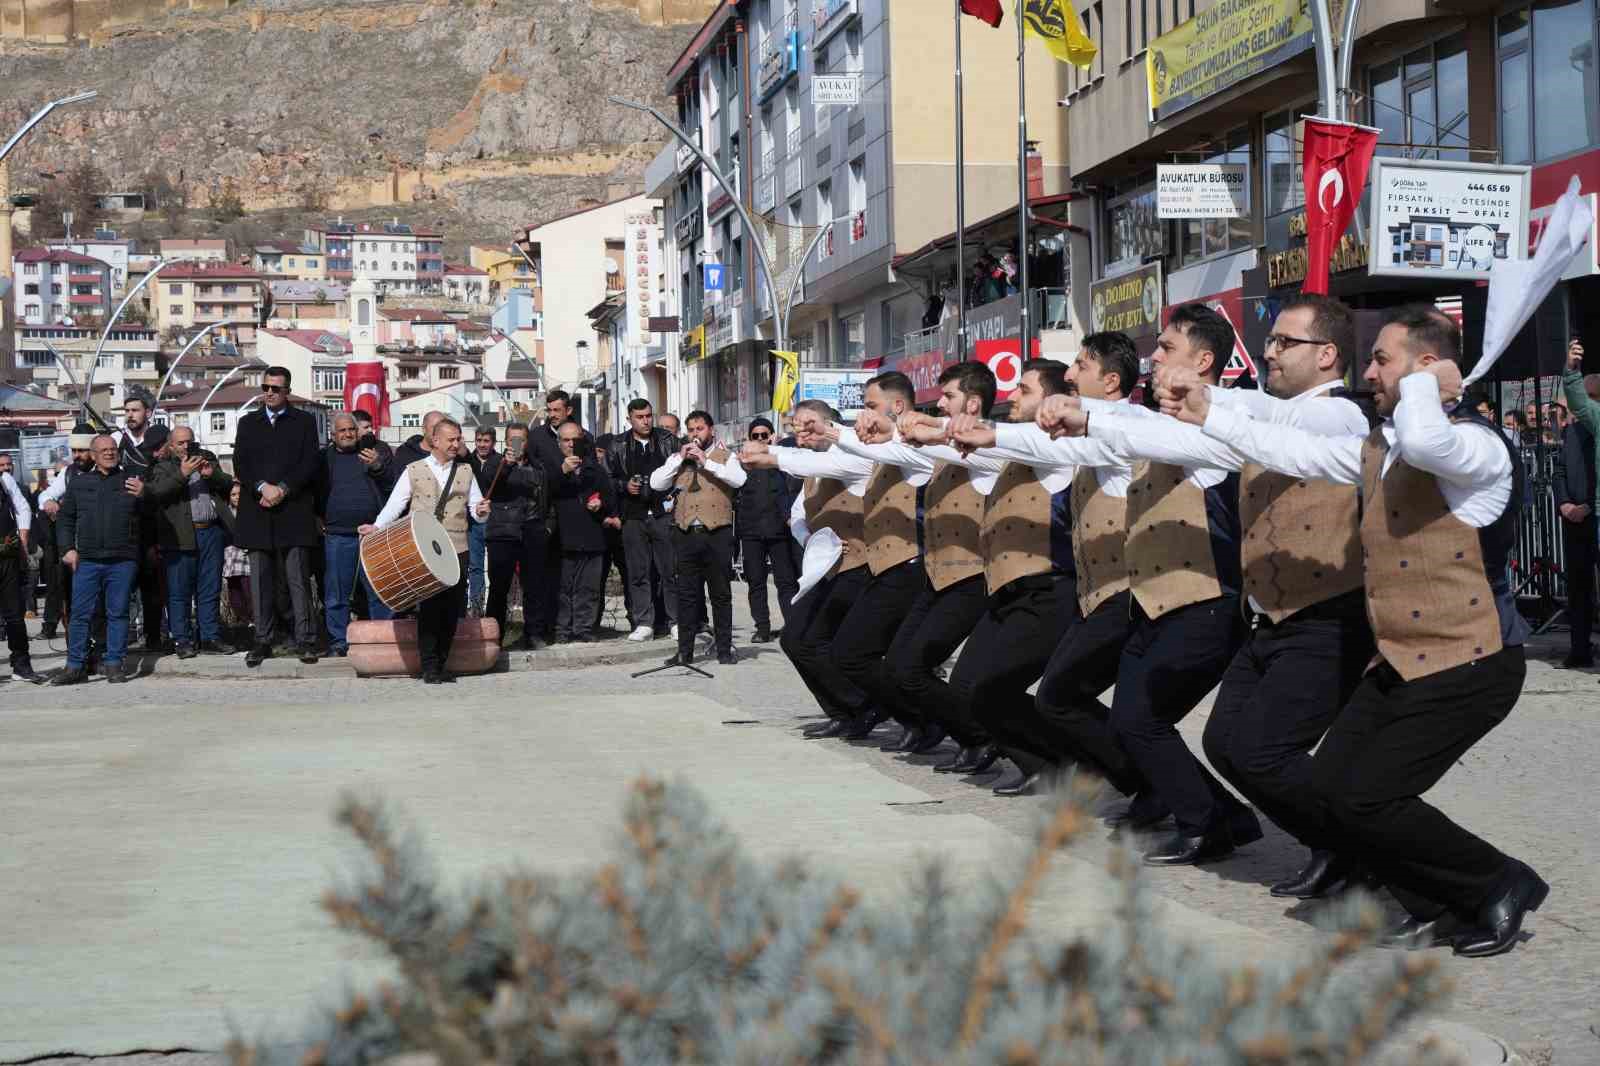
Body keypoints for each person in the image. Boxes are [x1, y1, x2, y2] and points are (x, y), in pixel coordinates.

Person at [1184, 305, 1543, 958]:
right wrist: (1208, 412)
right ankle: (1435, 899)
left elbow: (1431, 442)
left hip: (1472, 660)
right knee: (1332, 791)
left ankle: (1500, 881)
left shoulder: (1478, 444)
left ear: (1427, 369)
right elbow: (1293, 447)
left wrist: (1426, 386)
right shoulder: (1380, 448)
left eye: (1383, 359)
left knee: (1371, 797)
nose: (1369, 371)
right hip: (1402, 659)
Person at [1054, 299, 1378, 893]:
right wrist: (1082, 420)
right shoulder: (1248, 421)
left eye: (1285, 342)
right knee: (1226, 744)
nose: (1271, 352)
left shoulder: (1339, 419)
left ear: (1327, 355)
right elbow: (1167, 432)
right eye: (1271, 342)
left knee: (1254, 750)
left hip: (1316, 613)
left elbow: (1269, 427)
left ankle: (1360, 850)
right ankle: (1321, 842)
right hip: (1262, 616)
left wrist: (1208, 403)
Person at [834, 362, 999, 762]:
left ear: (973, 404)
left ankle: (980, 735)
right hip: (935, 575)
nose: (939, 403)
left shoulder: (988, 450)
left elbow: (925, 450)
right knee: (897, 668)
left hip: (969, 575)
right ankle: (953, 729)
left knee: (917, 669)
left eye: (949, 397)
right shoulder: (939, 450)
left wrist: (841, 431)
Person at [364, 416, 489, 682]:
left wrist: (481, 512)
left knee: (453, 607)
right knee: (430, 607)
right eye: (452, 439)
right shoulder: (414, 469)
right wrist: (376, 527)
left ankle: (442, 662)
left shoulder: (466, 471)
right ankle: (430, 666)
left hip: (457, 547)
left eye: (459, 439)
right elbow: (396, 504)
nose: (457, 444)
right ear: (435, 440)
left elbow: (476, 510)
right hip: (423, 547)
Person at [233, 366, 323, 667]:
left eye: (275, 388)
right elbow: (241, 463)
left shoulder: (304, 422)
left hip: (293, 510)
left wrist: (283, 489)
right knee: (260, 580)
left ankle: (306, 640)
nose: (269, 392)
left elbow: (310, 463)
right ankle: (262, 640)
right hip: (257, 510)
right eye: (265, 387)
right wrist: (261, 486)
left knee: (297, 578)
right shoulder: (248, 423)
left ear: (287, 391)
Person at [651, 410, 746, 665]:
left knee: (720, 594)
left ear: (711, 430)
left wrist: (707, 461)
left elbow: (739, 480)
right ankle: (685, 652)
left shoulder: (727, 456)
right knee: (687, 596)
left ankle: (724, 649)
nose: (695, 434)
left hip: (717, 534)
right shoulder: (678, 458)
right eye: (691, 430)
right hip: (685, 534)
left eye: (700, 429)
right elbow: (656, 483)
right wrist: (677, 460)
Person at [51, 435, 147, 685]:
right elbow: (65, 519)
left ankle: (114, 663)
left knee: (118, 613)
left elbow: (150, 515)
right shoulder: (79, 483)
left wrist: (145, 495)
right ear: (92, 455)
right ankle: (75, 666)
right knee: (80, 615)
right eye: (103, 450)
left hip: (122, 560)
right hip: (88, 561)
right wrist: (67, 549)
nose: (109, 453)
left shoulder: (132, 481)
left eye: (113, 449)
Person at [147, 426, 236, 658]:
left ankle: (209, 637)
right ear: (171, 446)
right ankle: (183, 640)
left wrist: (211, 474)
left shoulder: (206, 459)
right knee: (179, 591)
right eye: (181, 443)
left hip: (210, 533)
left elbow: (229, 484)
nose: (186, 446)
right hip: (180, 536)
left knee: (210, 589)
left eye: (190, 441)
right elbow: (157, 493)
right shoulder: (163, 467)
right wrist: (183, 474)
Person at [319, 413, 396, 656]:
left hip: (372, 534)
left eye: (351, 429)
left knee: (379, 589)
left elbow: (392, 488)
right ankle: (339, 642)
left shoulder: (373, 454)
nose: (348, 434)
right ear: (333, 435)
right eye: (342, 431)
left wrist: (378, 467)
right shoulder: (324, 459)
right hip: (338, 534)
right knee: (337, 593)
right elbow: (314, 491)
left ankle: (382, 638)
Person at [606, 398, 680, 642]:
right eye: (640, 417)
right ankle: (644, 622)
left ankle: (675, 621)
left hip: (663, 514)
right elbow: (607, 479)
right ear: (630, 419)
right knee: (638, 572)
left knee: (670, 570)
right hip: (633, 516)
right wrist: (624, 485)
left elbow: (683, 472)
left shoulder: (668, 441)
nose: (646, 421)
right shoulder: (617, 445)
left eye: (649, 415)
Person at [484, 421, 550, 649]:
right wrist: (508, 465)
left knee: (534, 586)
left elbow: (545, 499)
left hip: (532, 529)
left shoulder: (538, 466)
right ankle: (494, 637)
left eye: (521, 439)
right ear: (506, 440)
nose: (517, 444)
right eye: (513, 439)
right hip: (503, 532)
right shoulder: (495, 463)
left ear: (527, 441)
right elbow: (489, 485)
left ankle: (534, 634)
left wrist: (546, 526)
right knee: (498, 589)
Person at [551, 420, 617, 643]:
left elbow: (610, 497)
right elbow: (547, 492)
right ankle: (562, 629)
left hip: (591, 535)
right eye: (566, 440)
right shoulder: (551, 466)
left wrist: (601, 502)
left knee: (588, 588)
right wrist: (563, 471)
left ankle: (584, 628)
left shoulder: (594, 468)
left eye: (575, 440)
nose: (571, 445)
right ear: (559, 443)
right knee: (563, 588)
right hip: (562, 537)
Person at [735, 417, 800, 643]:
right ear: (749, 439)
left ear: (771, 436)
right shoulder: (742, 463)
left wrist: (773, 449)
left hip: (779, 531)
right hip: (751, 531)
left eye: (765, 435)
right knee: (756, 581)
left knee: (786, 581)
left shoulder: (780, 460)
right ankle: (762, 627)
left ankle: (793, 627)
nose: (761, 439)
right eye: (756, 436)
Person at [115, 390, 169, 652]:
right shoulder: (120, 442)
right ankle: (122, 637)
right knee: (124, 582)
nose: (130, 415)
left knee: (152, 584)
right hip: (126, 522)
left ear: (147, 412)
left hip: (153, 521)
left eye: (135, 410)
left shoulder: (158, 438)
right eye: (126, 411)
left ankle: (154, 635)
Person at [37, 427, 99, 642]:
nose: (76, 455)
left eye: (82, 450)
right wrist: (48, 502)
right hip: (76, 548)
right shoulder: (69, 472)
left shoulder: (111, 470)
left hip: (103, 546)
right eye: (74, 450)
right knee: (74, 602)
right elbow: (45, 495)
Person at [1560, 340, 1599, 668]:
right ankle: (1580, 648)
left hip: (1591, 511)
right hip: (1579, 517)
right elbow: (1560, 470)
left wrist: (1587, 504)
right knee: (1579, 585)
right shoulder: (1579, 427)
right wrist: (1565, 504)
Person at [533, 390, 578, 642]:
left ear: (568, 410)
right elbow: (535, 475)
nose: (551, 415)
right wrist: (560, 471)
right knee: (548, 577)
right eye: (548, 411)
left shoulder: (581, 435)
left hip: (575, 515)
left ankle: (577, 626)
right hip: (546, 515)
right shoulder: (538, 438)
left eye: (556, 410)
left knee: (575, 576)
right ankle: (547, 627)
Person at [0, 451, 39, 682]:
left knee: (14, 614)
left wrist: (23, 539)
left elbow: (23, 508)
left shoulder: (5, 480)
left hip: (6, 557)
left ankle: (21, 664)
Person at [465, 427, 499, 616]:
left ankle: (494, 609)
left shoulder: (500, 461)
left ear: (492, 442)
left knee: (495, 567)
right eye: (479, 440)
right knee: (475, 566)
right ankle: (476, 607)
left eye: (486, 441)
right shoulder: (467, 462)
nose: (482, 444)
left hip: (494, 520)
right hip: (473, 521)